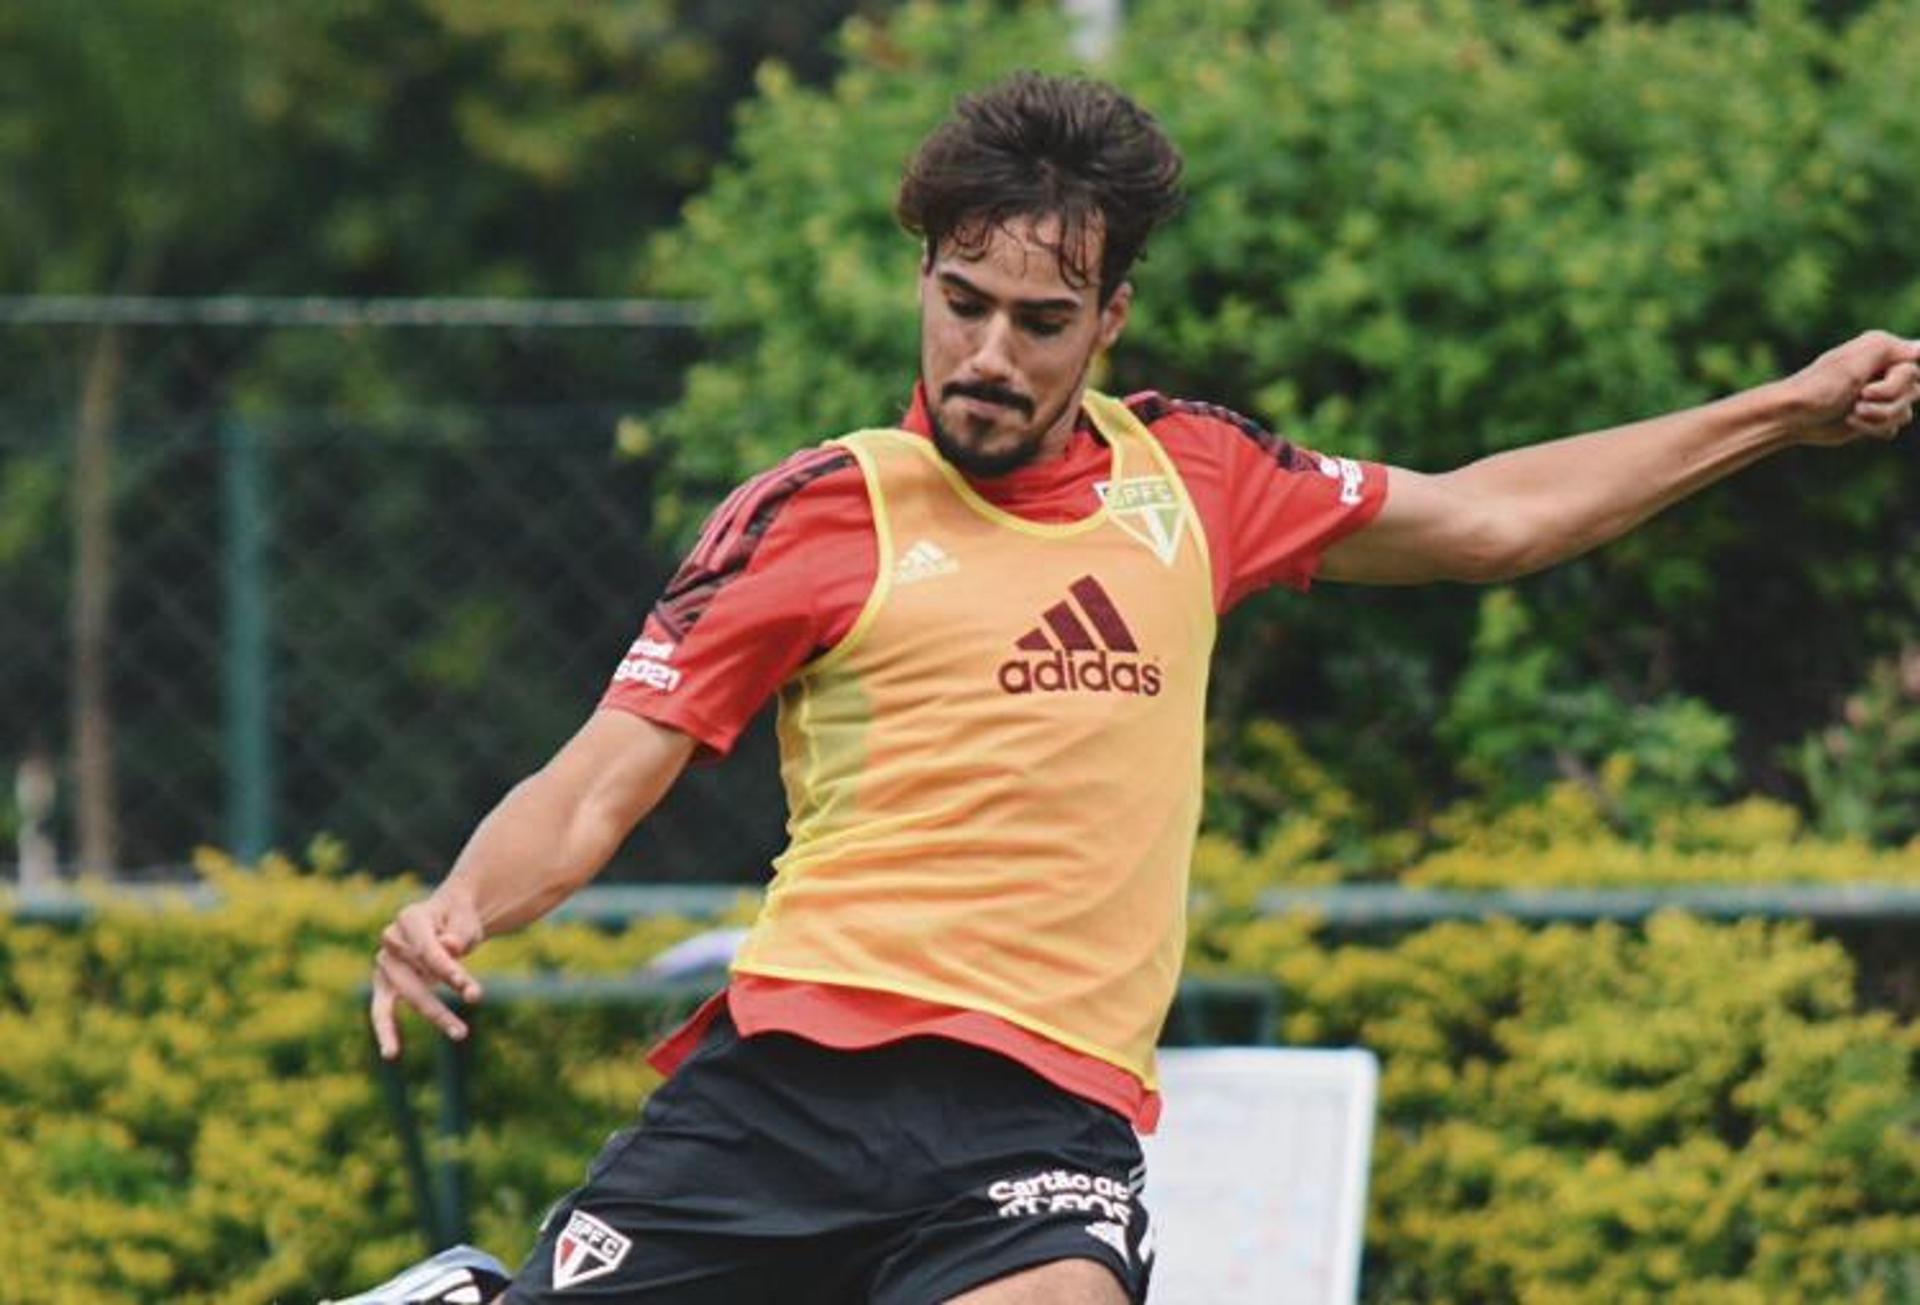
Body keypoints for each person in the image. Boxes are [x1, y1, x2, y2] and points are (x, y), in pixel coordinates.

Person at [360, 72, 1918, 1304]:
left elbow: (1495, 517)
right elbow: (604, 771)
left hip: (1040, 1120)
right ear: (924, 279)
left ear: (1109, 323)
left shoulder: (1201, 479)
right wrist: (463, 902)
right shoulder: (828, 509)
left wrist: (1782, 410)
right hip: (794, 1090)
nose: (990, 350)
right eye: (962, 300)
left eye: (1041, 322)